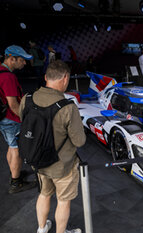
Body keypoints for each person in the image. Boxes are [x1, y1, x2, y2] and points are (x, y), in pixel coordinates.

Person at [19, 60, 86, 233]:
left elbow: (24, 123)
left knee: (44, 194)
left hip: (37, 161)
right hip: (62, 165)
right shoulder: (68, 107)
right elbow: (79, 141)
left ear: (46, 77)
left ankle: (42, 228)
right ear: (65, 78)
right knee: (63, 201)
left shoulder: (27, 99)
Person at [0, 45, 36, 193]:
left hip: (3, 119)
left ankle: (15, 174)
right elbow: (13, 104)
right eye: (22, 60)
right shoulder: (8, 77)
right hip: (11, 119)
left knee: (11, 146)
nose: (24, 63)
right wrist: (25, 120)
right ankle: (16, 183)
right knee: (17, 150)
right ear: (11, 58)